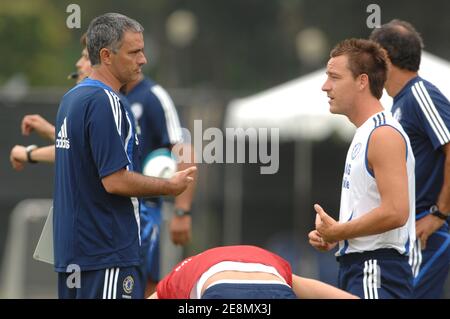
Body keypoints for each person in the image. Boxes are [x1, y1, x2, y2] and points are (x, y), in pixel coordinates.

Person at [53, 13, 196, 299]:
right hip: (107, 254)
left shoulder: (72, 98)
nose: (143, 60)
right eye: (134, 52)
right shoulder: (109, 102)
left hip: (72, 254)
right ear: (106, 55)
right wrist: (171, 187)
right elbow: (114, 181)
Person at [308, 38, 416, 299]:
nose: (325, 86)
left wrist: (339, 231)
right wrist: (336, 236)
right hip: (363, 268)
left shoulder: (382, 133)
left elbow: (396, 212)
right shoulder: (366, 132)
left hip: (375, 269)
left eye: (334, 77)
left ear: (362, 81)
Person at [370, 20, 450, 298]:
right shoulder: (401, 102)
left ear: (385, 56)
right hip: (407, 231)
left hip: (425, 229)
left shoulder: (420, 93)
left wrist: (439, 214)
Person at [124, 74, 197, 298]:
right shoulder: (107, 95)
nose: (141, 60)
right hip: (111, 208)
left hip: (144, 210)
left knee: (145, 284)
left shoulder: (152, 97)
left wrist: (182, 211)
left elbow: (184, 151)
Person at [148, 245, 358, 299]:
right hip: (275, 288)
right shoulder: (271, 264)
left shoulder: (181, 272)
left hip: (220, 289)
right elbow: (316, 290)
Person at [9, 33, 91, 169]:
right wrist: (51, 131)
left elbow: (81, 153)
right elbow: (82, 147)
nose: (78, 64)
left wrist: (29, 153)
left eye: (86, 57)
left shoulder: (106, 103)